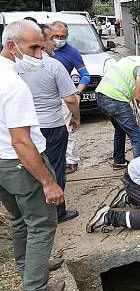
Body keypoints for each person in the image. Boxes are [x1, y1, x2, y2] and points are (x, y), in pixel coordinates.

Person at [0, 20, 66, 291]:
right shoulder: (15, 85)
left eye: (42, 46)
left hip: (2, 164)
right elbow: (22, 142)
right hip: (20, 163)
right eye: (34, 47)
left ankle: (31, 267)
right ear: (12, 46)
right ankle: (35, 289)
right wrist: (47, 181)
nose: (40, 55)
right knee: (42, 223)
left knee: (19, 218)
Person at [16, 23, 81, 223]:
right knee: (55, 168)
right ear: (43, 41)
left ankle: (32, 210)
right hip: (52, 126)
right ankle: (57, 212)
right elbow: (70, 98)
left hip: (25, 127)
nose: (55, 42)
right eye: (51, 38)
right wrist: (76, 117)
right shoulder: (53, 65)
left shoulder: (15, 65)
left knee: (31, 166)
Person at [95, 46, 140, 170]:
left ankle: (119, 161)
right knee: (136, 135)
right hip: (115, 99)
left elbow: (139, 94)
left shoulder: (132, 59)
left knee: (120, 129)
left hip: (102, 96)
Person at [50, 21, 90, 174]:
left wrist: (77, 92)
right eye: (56, 36)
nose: (59, 39)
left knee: (68, 128)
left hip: (63, 97)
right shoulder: (43, 50)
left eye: (63, 36)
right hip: (44, 97)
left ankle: (71, 161)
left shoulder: (72, 52)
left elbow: (85, 75)